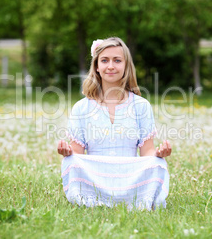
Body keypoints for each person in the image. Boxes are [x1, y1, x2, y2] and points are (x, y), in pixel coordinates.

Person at [57, 37, 171, 210]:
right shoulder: (81, 108)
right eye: (104, 60)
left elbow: (146, 150)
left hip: (130, 178)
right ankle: (90, 199)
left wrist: (158, 154)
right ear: (96, 66)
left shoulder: (140, 106)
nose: (110, 66)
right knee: (70, 162)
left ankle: (136, 199)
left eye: (117, 60)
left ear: (126, 66)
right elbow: (78, 155)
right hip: (96, 177)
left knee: (159, 164)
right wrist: (68, 152)